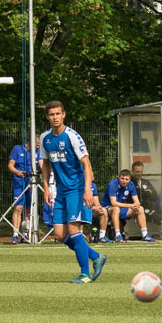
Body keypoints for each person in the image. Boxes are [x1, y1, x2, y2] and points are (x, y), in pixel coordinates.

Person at [39, 101, 107, 283]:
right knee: (60, 235)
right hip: (60, 191)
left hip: (77, 189)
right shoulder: (45, 138)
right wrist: (46, 188)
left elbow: (87, 164)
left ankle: (85, 274)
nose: (55, 117)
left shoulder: (72, 136)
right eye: (51, 114)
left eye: (58, 114)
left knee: (74, 229)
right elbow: (45, 164)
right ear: (47, 117)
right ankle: (96, 256)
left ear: (63, 115)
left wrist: (87, 190)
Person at [105, 169, 157, 243]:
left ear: (129, 179)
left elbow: (137, 201)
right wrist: (131, 205)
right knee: (116, 209)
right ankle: (117, 235)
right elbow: (114, 203)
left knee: (140, 209)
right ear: (118, 177)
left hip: (121, 208)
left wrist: (136, 205)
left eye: (126, 179)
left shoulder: (131, 184)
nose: (124, 181)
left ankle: (145, 235)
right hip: (108, 208)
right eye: (122, 178)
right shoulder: (112, 184)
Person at [6, 139, 35, 244]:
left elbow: (41, 163)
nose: (38, 147)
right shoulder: (17, 149)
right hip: (19, 183)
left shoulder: (37, 151)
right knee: (18, 208)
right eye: (36, 145)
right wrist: (17, 172)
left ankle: (25, 234)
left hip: (31, 183)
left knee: (29, 209)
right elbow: (10, 165)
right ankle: (15, 234)